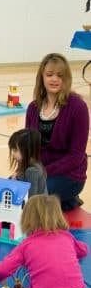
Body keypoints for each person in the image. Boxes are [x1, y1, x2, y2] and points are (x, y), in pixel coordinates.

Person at [25, 53, 88, 211]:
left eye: (60, 75)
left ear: (66, 79)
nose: (54, 79)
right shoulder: (33, 108)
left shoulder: (78, 107)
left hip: (70, 174)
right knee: (13, 189)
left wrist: (43, 172)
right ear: (42, 77)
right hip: (40, 171)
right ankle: (65, 201)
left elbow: (75, 157)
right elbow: (27, 147)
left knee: (34, 195)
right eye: (49, 74)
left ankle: (67, 196)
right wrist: (21, 171)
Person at [8, 128, 47, 197]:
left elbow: (31, 198)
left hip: (37, 206)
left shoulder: (32, 171)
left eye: (15, 150)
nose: (13, 153)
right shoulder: (23, 163)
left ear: (26, 150)